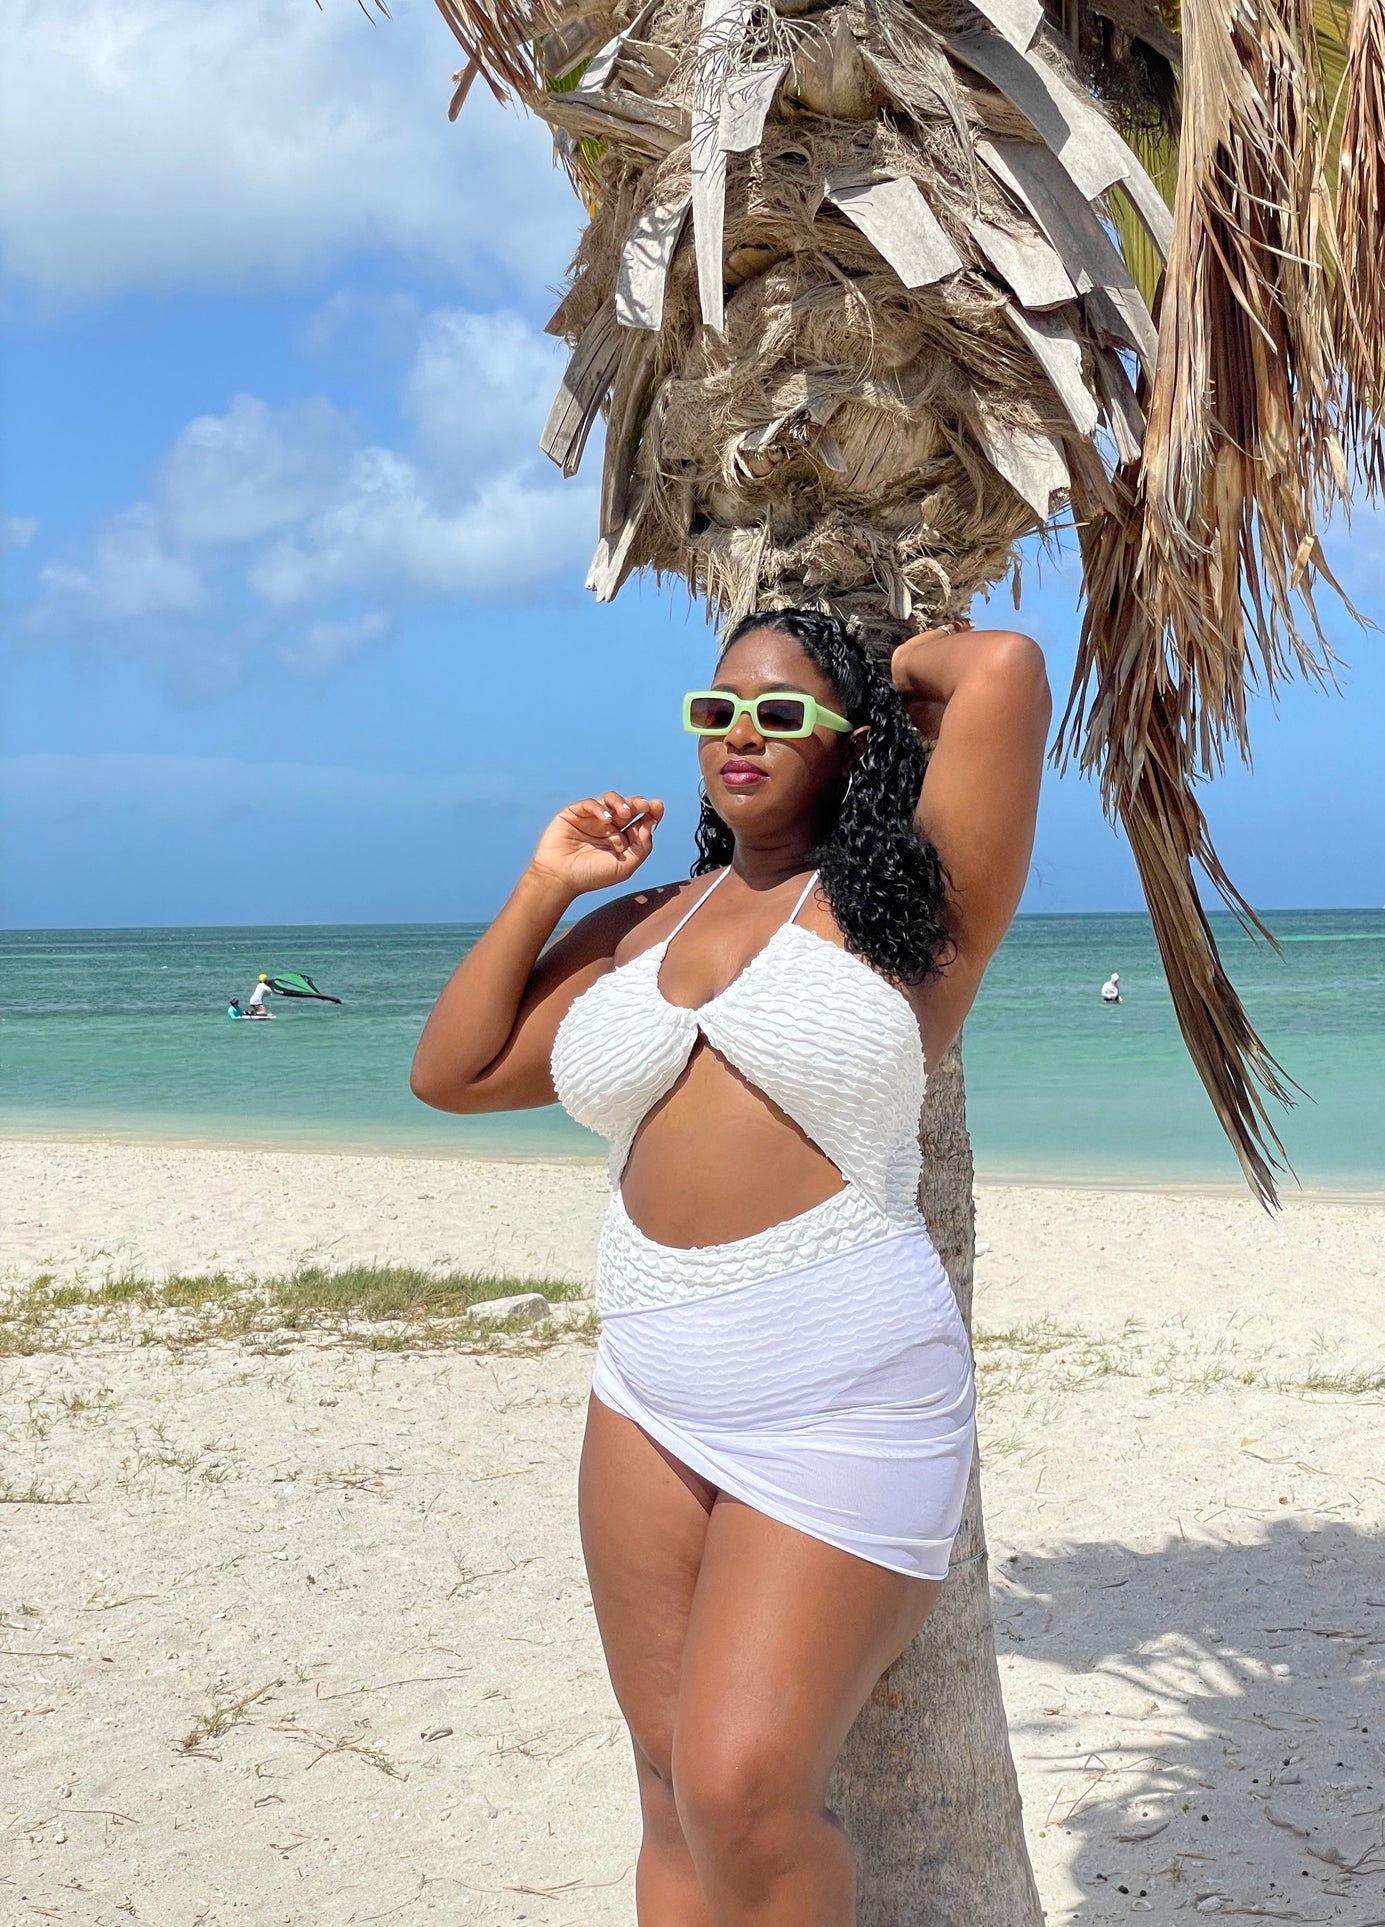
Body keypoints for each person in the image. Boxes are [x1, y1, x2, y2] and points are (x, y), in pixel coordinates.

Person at [410, 607, 1048, 1926]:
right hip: (647, 1385)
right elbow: (454, 1073)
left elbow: (998, 670)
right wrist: (548, 885)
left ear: (851, 744)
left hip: (841, 1390)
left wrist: (866, 666)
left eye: (778, 715)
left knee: (741, 1786)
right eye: (716, 712)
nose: (740, 737)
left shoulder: (911, 901)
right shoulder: (645, 920)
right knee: (666, 1786)